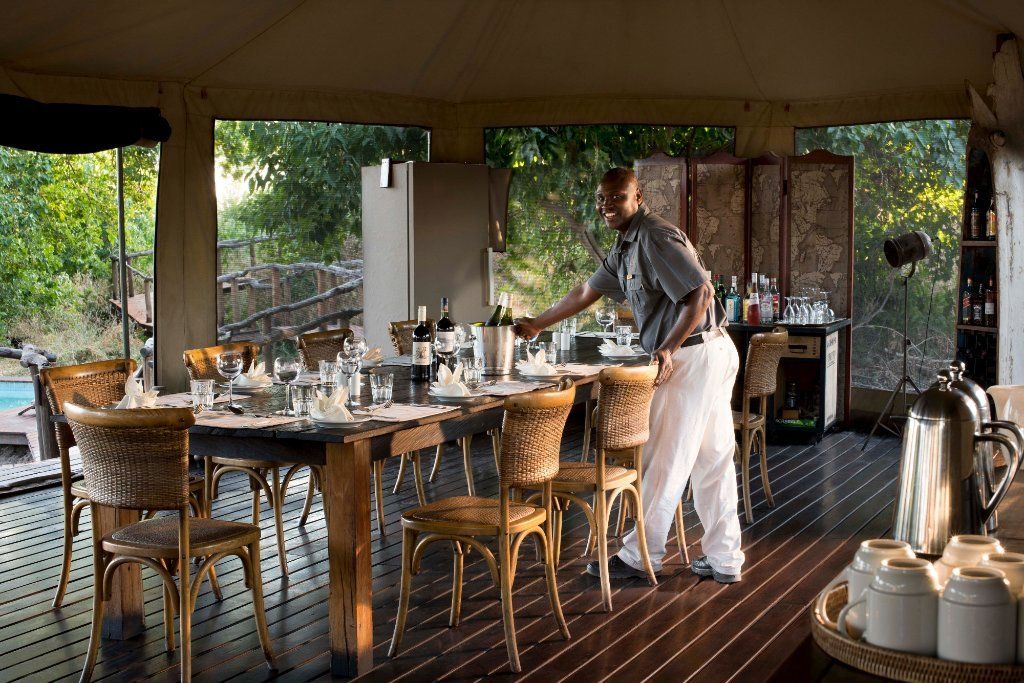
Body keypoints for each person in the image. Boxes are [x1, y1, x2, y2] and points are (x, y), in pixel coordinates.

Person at [513, 167, 744, 583]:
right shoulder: (625, 246)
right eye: (602, 199)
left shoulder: (654, 236)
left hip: (693, 356)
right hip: (710, 350)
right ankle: (725, 558)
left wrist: (667, 350)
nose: (607, 206)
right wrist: (539, 323)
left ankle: (641, 555)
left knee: (666, 459)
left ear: (638, 197)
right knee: (712, 459)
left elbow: (701, 293)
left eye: (617, 197)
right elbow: (587, 291)